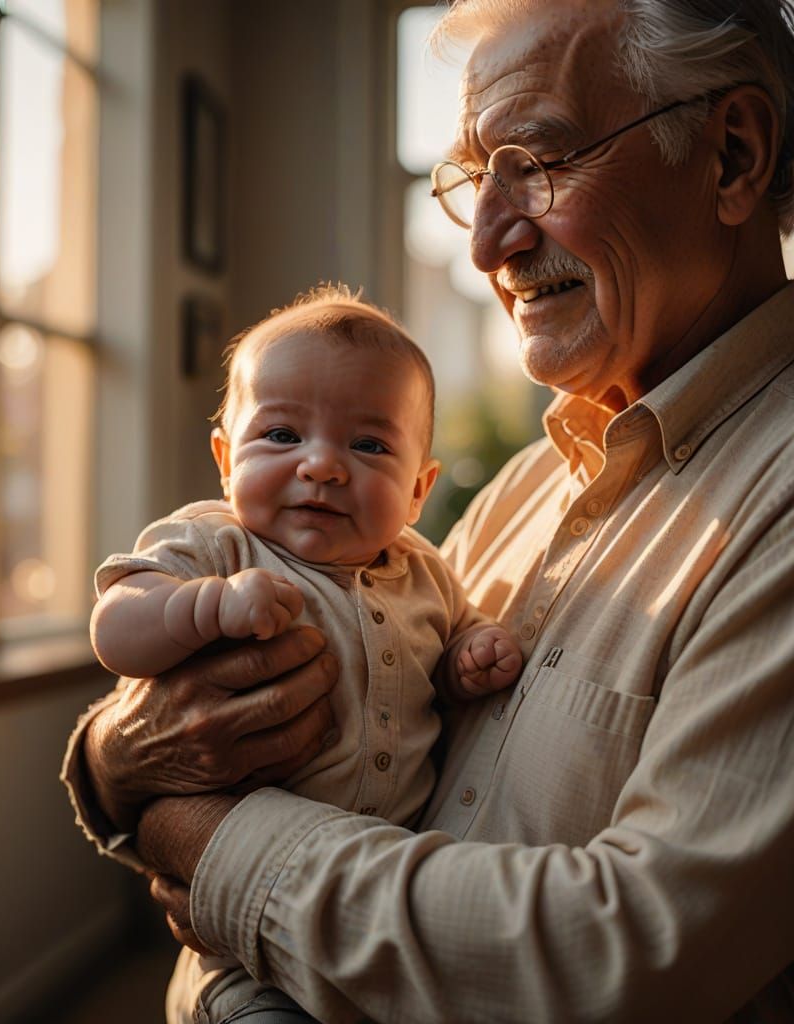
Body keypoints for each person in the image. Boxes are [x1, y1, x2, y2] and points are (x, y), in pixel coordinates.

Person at [62, 0, 794, 1019]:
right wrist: (116, 758)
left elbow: (625, 957)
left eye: (538, 161)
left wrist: (208, 837)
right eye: (473, 178)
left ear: (732, 155)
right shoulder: (525, 488)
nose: (487, 244)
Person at [88, 287, 522, 1023]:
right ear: (225, 458)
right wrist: (205, 607)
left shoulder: (424, 570)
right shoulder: (217, 544)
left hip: (376, 914)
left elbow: (448, 647)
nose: (322, 465)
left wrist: (469, 655)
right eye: (282, 435)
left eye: (369, 445)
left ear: (419, 490)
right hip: (244, 942)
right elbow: (116, 626)